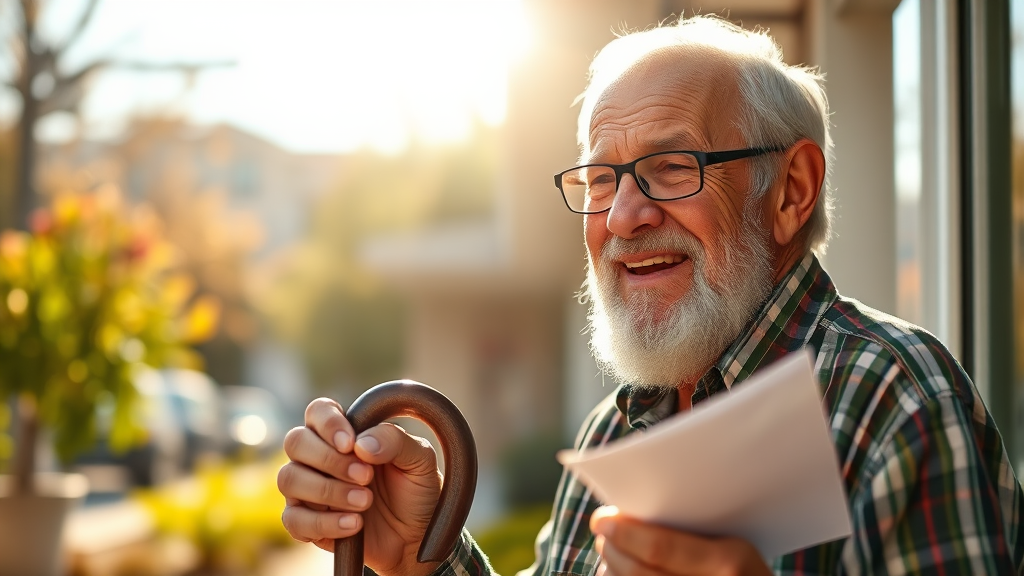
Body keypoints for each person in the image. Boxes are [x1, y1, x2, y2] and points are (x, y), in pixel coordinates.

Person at [276, 15, 1024, 575]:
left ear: (791, 190)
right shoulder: (616, 429)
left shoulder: (892, 394)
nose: (623, 216)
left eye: (672, 166)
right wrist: (421, 553)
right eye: (602, 179)